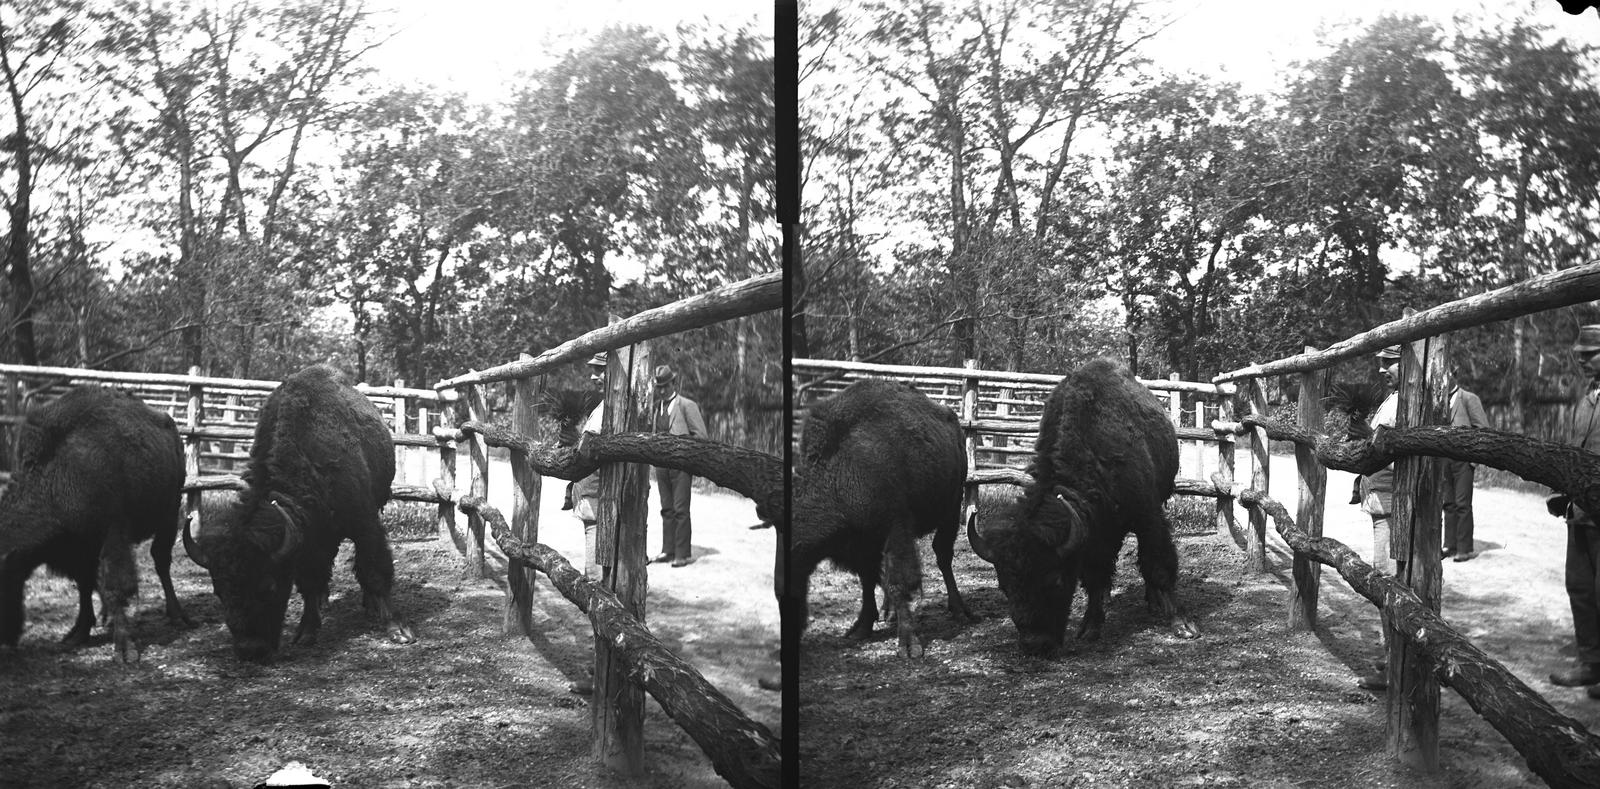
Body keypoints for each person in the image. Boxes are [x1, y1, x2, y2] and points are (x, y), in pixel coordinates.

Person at [1549, 324, 1600, 695]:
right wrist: (1560, 489)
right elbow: (1574, 450)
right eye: (1579, 353)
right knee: (1579, 587)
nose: (1582, 359)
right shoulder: (1587, 398)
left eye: (1590, 353)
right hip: (1579, 510)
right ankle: (1591, 663)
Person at [1356, 344, 1403, 690]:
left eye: (1390, 362)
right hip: (1381, 502)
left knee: (1388, 580)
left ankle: (1396, 667)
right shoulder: (1395, 398)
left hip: (1393, 503)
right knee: (1386, 577)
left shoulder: (1407, 401)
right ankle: (1394, 657)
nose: (1382, 369)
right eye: (1381, 363)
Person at [567, 352, 609, 696]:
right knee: (596, 581)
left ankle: (604, 674)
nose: (594, 377)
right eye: (593, 371)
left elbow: (587, 452)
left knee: (599, 585)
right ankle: (603, 667)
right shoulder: (604, 406)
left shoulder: (613, 408)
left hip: (603, 509)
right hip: (593, 507)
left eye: (602, 371)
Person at [651, 364, 707, 568]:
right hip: (661, 467)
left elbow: (701, 437)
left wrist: (685, 453)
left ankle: (682, 554)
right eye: (659, 387)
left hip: (681, 467)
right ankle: (668, 550)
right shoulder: (657, 406)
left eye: (666, 385)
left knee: (680, 509)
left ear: (673, 383)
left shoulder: (687, 405)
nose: (663, 390)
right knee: (666, 509)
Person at [1442, 380, 1490, 562]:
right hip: (1444, 460)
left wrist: (1473, 460)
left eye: (1447, 372)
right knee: (1448, 504)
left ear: (1454, 373)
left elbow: (1483, 430)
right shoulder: (1438, 399)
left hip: (1463, 461)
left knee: (1462, 503)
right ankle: (1450, 545)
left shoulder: (1469, 398)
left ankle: (1464, 548)